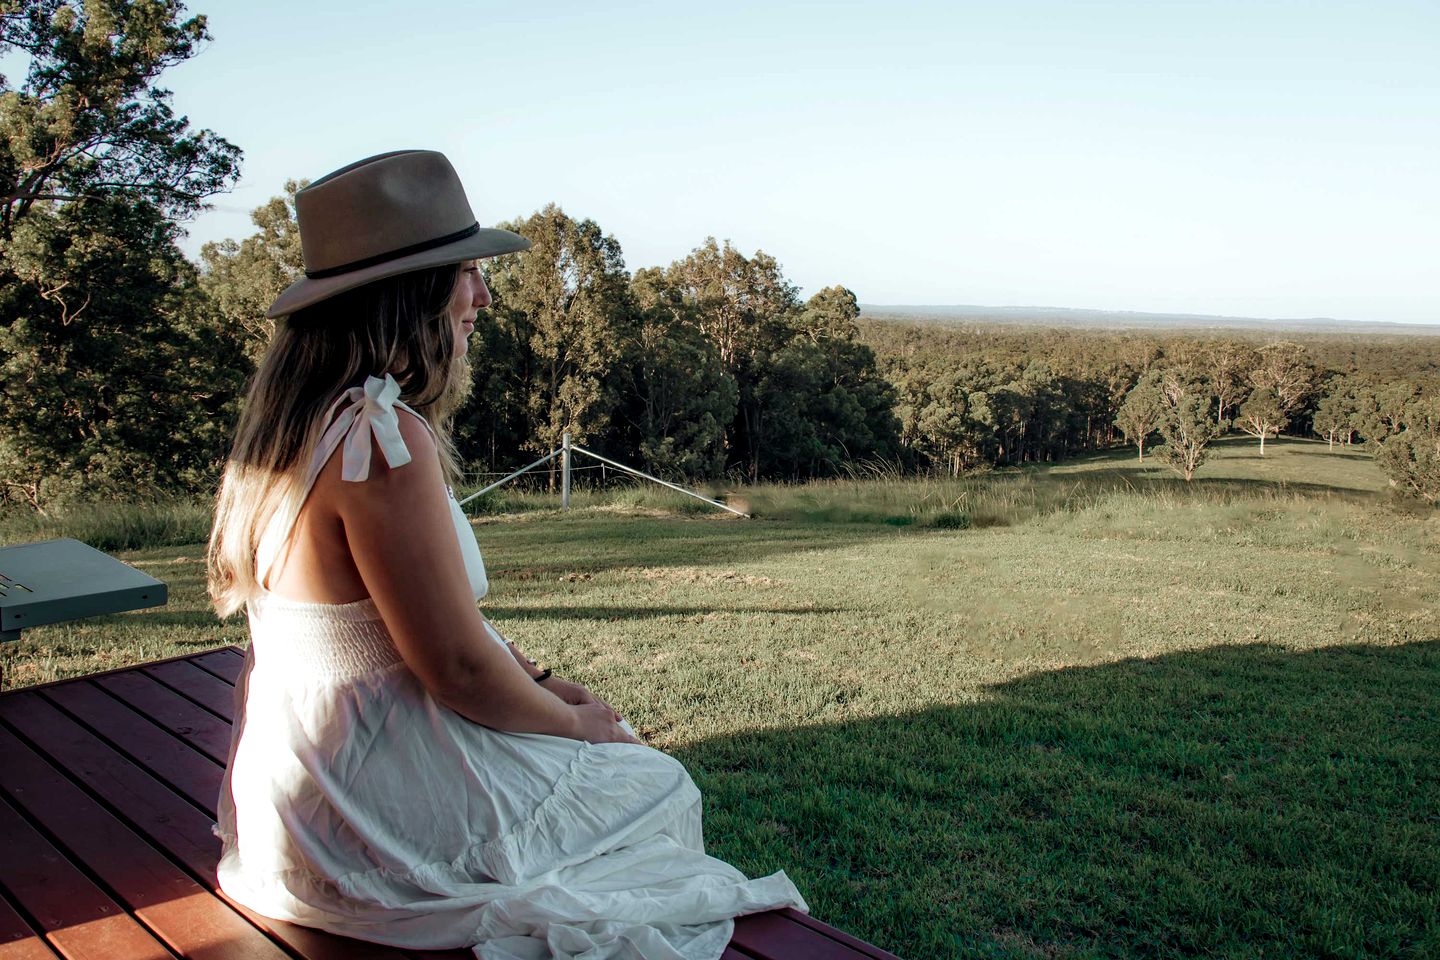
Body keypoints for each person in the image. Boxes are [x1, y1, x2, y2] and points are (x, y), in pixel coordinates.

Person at [206, 150, 805, 960]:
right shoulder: (380, 438)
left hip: (300, 796)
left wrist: (543, 681)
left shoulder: (294, 429)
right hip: (368, 803)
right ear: (412, 292)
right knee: (655, 781)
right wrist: (575, 727)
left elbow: (408, 631)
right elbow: (453, 664)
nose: (481, 295)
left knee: (606, 749)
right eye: (466, 273)